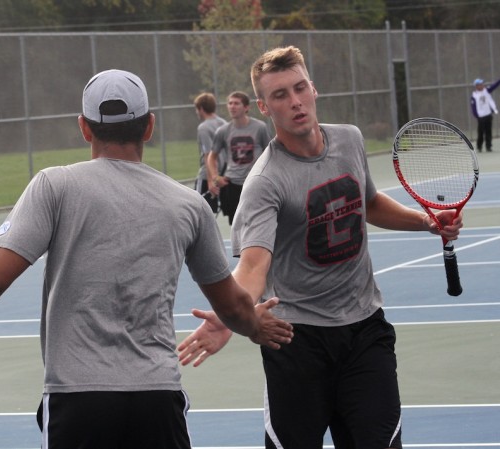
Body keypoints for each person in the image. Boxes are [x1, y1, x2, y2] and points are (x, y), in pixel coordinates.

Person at [0, 69, 293, 449]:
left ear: (84, 127)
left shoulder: (54, 185)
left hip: (78, 401)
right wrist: (252, 325)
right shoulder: (189, 205)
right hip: (157, 399)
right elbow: (232, 304)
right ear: (149, 127)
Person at [178, 46, 464, 449]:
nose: (294, 102)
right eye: (280, 95)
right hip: (297, 341)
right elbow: (254, 267)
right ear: (264, 106)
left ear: (314, 89)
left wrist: (427, 222)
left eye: (299, 88)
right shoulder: (265, 182)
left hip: (365, 331)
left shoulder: (349, 140)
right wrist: (231, 314)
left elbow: (368, 203)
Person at [206, 90, 271, 225]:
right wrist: (215, 177)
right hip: (232, 185)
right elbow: (212, 157)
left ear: (246, 107)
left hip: (255, 183)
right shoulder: (223, 131)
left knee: (258, 222)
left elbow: (270, 153)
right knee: (237, 226)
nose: (232, 106)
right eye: (230, 103)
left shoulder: (260, 127)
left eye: (236, 103)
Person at [193, 92, 227, 213]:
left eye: (197, 109)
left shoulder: (203, 128)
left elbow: (208, 155)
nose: (197, 112)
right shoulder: (224, 123)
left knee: (198, 211)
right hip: (223, 175)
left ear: (201, 109)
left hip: (207, 177)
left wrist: (210, 181)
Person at [470, 77, 500, 152]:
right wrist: (476, 115)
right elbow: (473, 106)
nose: (482, 85)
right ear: (476, 86)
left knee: (488, 131)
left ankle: (488, 146)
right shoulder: (474, 95)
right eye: (480, 84)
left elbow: (494, 85)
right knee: (481, 132)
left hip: (488, 115)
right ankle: (479, 146)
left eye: (482, 84)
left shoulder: (486, 91)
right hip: (481, 117)